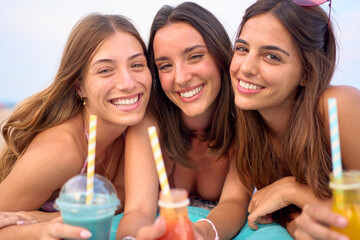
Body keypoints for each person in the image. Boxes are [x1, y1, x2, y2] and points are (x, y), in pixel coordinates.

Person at [0, 13, 152, 239]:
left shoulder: (130, 128)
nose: (128, 83)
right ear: (79, 87)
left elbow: (121, 194)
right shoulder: (61, 151)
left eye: (137, 64)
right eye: (105, 70)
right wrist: (44, 228)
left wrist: (51, 217)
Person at [116, 2, 250, 240]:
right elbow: (139, 210)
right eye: (165, 66)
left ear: (221, 56)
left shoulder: (245, 122)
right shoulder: (149, 124)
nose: (181, 77)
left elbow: (235, 201)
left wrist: (202, 233)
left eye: (195, 56)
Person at [230, 0, 360, 237]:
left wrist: (291, 190)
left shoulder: (337, 105)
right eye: (242, 48)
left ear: (307, 72)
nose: (246, 67)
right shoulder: (250, 128)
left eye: (271, 56)